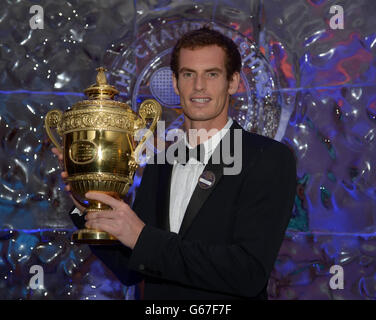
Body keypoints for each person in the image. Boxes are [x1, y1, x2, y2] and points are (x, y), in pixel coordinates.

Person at [52, 27, 296, 300]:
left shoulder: (268, 158)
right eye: (188, 74)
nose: (199, 86)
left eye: (212, 74)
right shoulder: (161, 163)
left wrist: (142, 238)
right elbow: (131, 268)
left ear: (233, 82)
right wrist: (85, 202)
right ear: (175, 82)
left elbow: (247, 272)